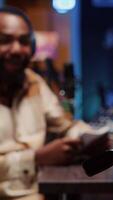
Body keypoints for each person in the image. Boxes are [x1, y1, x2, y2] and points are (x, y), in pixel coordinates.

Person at [0, 7, 101, 200]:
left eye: (23, 41)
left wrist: (87, 138)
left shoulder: (34, 82)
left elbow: (66, 125)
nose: (16, 49)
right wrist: (36, 158)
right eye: (4, 40)